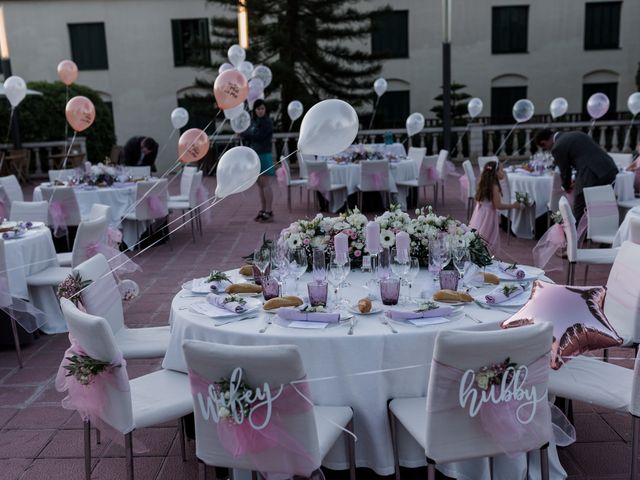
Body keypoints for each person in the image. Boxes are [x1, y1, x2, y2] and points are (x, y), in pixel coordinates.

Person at [535, 129, 617, 223]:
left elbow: (565, 171)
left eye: (545, 147)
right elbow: (584, 157)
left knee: (579, 209)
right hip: (609, 168)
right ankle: (598, 232)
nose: (548, 150)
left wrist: (566, 186)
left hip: (592, 174)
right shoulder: (576, 134)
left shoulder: (557, 146)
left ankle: (577, 236)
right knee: (601, 206)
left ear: (543, 142)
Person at [469, 161, 522, 253]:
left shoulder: (485, 183)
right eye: (501, 170)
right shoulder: (494, 186)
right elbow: (498, 205)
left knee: (480, 236)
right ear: (495, 172)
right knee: (486, 239)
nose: (503, 172)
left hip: (480, 213)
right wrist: (513, 205)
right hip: (488, 216)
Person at [241, 99, 274, 222]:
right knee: (259, 184)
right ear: (254, 110)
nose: (260, 111)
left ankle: (269, 211)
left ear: (265, 110)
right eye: (258, 108)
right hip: (254, 155)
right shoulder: (254, 122)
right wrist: (243, 134)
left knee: (265, 184)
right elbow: (250, 137)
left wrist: (244, 134)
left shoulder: (267, 122)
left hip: (264, 155)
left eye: (262, 108)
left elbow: (259, 137)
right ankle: (263, 209)